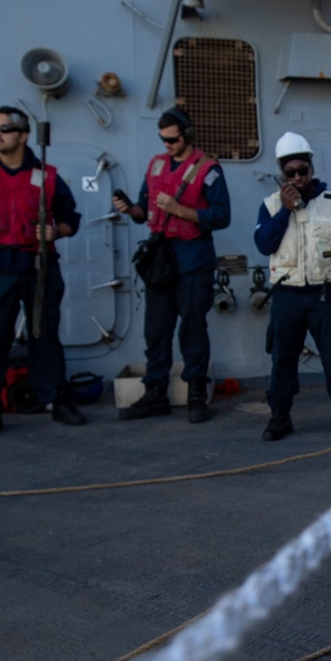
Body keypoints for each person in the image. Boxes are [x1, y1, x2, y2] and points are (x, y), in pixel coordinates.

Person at [0, 106, 86, 436]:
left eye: (4, 129)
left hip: (40, 267)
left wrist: (58, 231)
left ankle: (56, 399)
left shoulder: (47, 176)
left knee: (45, 337)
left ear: (23, 136)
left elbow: (71, 218)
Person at [112, 107, 230, 424]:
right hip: (160, 260)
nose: (167, 145)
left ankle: (195, 394)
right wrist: (129, 209)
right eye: (163, 140)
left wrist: (180, 209)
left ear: (187, 135)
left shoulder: (208, 170)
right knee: (156, 330)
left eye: (173, 140)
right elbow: (142, 212)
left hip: (193, 259)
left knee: (193, 329)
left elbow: (221, 216)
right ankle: (155, 394)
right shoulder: (155, 166)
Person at [253, 132, 331, 441]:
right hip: (287, 295)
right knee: (282, 358)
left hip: (324, 295)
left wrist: (324, 271)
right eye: (291, 173)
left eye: (303, 170)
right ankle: (279, 417)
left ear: (311, 168)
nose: (298, 178)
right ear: (282, 174)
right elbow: (264, 244)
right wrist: (287, 210)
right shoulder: (271, 206)